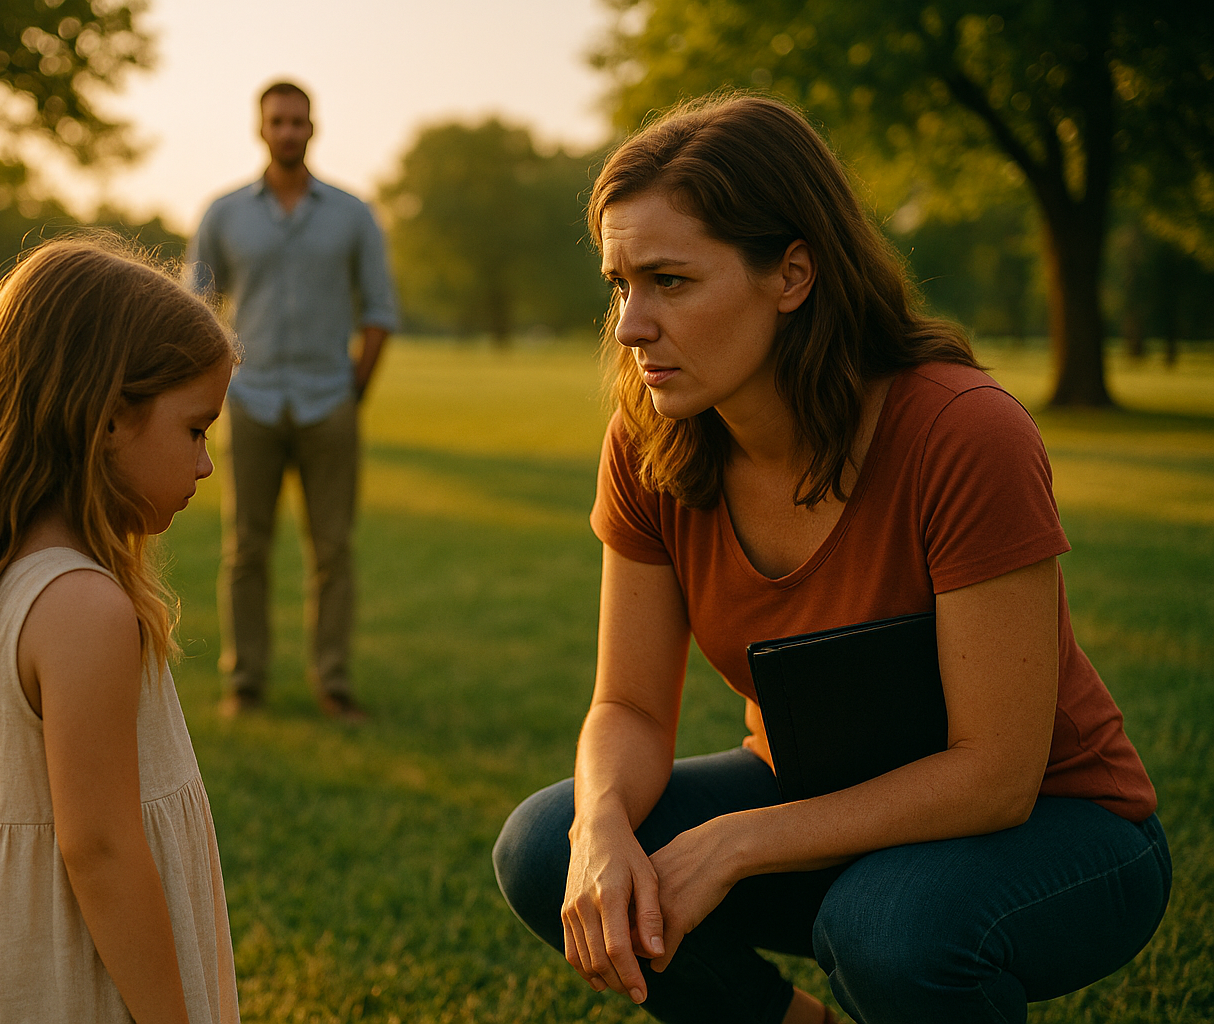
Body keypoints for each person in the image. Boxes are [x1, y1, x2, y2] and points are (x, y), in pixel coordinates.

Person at [491, 95, 1171, 1024]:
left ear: (793, 274)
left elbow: (997, 773)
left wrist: (736, 845)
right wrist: (602, 827)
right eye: (620, 284)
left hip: (1057, 827)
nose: (630, 325)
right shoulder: (652, 442)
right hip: (818, 805)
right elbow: (630, 706)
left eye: (671, 282)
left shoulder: (964, 433)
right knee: (545, 844)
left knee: (886, 927)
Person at [0, 238, 241, 1024]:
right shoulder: (84, 608)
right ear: (110, 420)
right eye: (195, 430)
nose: (207, 464)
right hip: (73, 982)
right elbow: (101, 852)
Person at [189, 81, 398, 723]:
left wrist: (351, 392)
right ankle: (244, 683)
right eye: (276, 121)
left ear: (314, 128)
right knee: (245, 548)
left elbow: (380, 311)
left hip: (328, 401)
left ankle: (333, 682)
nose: (287, 131)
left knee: (332, 550)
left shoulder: (352, 214)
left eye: (297, 121)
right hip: (248, 403)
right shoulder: (223, 214)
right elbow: (193, 311)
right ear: (260, 128)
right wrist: (213, 394)